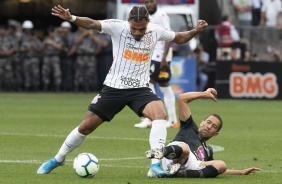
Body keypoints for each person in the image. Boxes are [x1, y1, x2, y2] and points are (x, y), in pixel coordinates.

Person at [36, 5, 208, 178]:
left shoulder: (156, 30)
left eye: (142, 29)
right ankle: (58, 159)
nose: (138, 32)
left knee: (159, 114)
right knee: (86, 127)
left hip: (140, 88)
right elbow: (92, 24)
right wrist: (72, 18)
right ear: (128, 22)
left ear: (148, 22)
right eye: (134, 28)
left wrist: (196, 30)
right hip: (114, 87)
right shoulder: (117, 26)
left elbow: (178, 37)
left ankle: (155, 164)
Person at [146, 88, 262, 178]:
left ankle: (178, 175)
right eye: (208, 122)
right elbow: (182, 98)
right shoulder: (189, 126)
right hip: (174, 156)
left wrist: (241, 172)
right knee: (185, 149)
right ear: (202, 122)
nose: (209, 127)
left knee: (221, 164)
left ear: (215, 133)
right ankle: (159, 153)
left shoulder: (208, 150)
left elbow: (218, 170)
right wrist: (205, 94)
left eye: (213, 126)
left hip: (191, 164)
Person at [134, 0, 179, 129]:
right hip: (151, 54)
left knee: (150, 82)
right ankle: (168, 120)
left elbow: (169, 36)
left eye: (152, 1)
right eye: (147, 2)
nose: (149, 4)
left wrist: (165, 57)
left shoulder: (162, 15)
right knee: (159, 84)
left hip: (160, 55)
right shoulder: (146, 16)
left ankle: (155, 118)